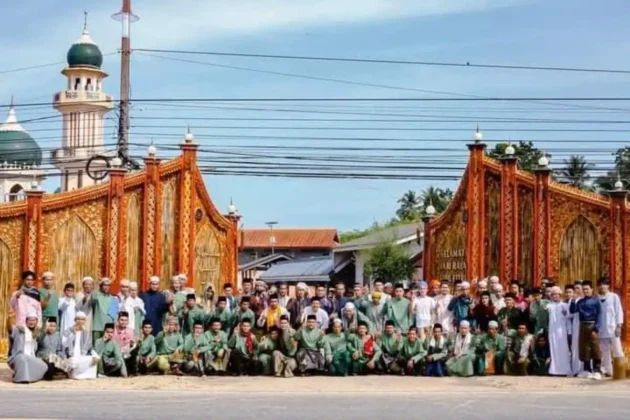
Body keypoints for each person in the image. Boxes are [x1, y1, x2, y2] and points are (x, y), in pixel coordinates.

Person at [569, 280, 602, 379]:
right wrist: (574, 300)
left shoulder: (596, 300)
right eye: (584, 289)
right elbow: (572, 311)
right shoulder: (580, 301)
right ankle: (586, 369)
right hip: (582, 325)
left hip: (592, 325)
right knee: (584, 348)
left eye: (587, 289)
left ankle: (597, 370)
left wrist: (596, 328)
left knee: (595, 348)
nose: (585, 291)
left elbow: (599, 314)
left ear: (591, 289)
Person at [8, 312, 48, 383]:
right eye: (29, 320)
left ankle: (26, 376)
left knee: (44, 366)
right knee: (23, 359)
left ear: (36, 322)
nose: (31, 322)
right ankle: (21, 379)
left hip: (31, 358)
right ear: (26, 321)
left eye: (33, 320)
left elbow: (42, 334)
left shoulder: (36, 333)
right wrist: (10, 318)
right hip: (18, 357)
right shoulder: (20, 330)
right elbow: (10, 328)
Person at [597, 277, 624, 377]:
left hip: (613, 328)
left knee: (617, 349)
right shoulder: (596, 298)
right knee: (605, 351)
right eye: (600, 284)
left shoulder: (614, 297)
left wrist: (619, 326)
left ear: (608, 286)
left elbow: (618, 311)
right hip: (601, 328)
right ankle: (609, 371)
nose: (602, 286)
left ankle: (621, 370)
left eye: (604, 284)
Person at [61, 311, 99, 380]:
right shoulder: (68, 331)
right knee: (74, 363)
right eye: (78, 319)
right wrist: (73, 334)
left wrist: (96, 356)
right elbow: (64, 344)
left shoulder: (86, 333)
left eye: (82, 319)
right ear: (75, 320)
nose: (80, 321)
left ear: (84, 321)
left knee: (92, 359)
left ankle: (84, 375)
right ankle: (75, 374)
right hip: (71, 358)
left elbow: (90, 348)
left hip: (82, 358)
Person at [546, 286, 571, 376]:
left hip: (562, 330)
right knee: (554, 349)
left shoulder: (565, 305)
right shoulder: (549, 305)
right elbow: (547, 309)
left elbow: (568, 319)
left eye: (556, 294)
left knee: (563, 349)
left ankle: (565, 370)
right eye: (553, 294)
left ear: (560, 295)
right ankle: (554, 370)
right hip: (552, 330)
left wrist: (569, 331)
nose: (555, 296)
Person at [113, 311, 137, 375]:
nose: (124, 322)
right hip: (114, 353)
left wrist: (130, 346)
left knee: (134, 351)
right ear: (118, 320)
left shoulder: (130, 331)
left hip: (125, 353)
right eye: (122, 320)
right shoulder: (113, 330)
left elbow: (131, 345)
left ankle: (132, 372)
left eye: (126, 320)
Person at [568, 280, 584, 376]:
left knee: (584, 346)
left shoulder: (587, 299)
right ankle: (575, 369)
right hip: (576, 324)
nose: (576, 290)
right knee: (575, 347)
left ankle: (584, 368)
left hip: (585, 324)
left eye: (578, 288)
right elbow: (570, 313)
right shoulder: (573, 300)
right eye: (575, 288)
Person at [91, 278, 115, 343]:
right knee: (96, 347)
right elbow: (93, 296)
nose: (106, 287)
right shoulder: (97, 296)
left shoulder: (113, 298)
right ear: (101, 286)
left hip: (108, 327)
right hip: (98, 327)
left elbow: (114, 315)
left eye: (108, 285)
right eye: (104, 285)